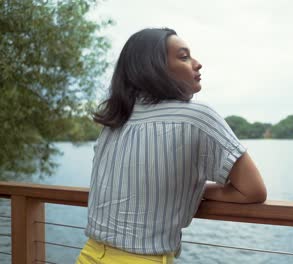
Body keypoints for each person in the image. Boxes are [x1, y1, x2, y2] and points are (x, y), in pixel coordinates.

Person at [76, 27, 267, 264]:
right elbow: (253, 191)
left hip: (90, 254)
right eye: (184, 57)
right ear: (154, 68)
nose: (197, 64)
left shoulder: (115, 120)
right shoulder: (198, 117)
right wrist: (196, 190)